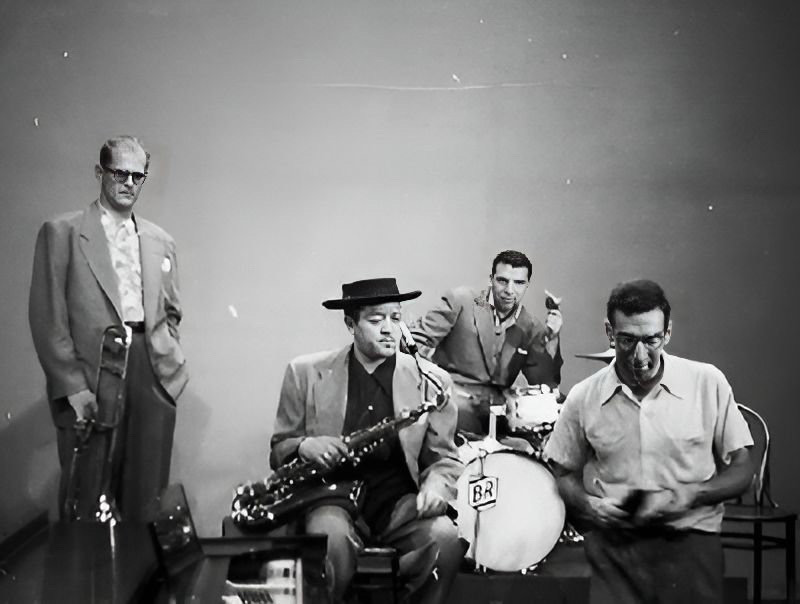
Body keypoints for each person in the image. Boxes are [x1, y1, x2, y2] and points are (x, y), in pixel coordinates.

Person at [543, 279, 753, 604]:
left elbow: (742, 469)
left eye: (651, 340)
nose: (640, 355)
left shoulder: (707, 382)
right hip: (614, 548)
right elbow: (561, 474)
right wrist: (589, 506)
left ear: (668, 333)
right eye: (627, 340)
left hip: (690, 539)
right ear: (610, 333)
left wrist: (693, 494)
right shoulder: (584, 397)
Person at [270, 278, 464, 604]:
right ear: (351, 324)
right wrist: (304, 446)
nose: (390, 329)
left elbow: (444, 458)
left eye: (396, 318)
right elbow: (279, 449)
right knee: (329, 541)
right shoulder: (304, 372)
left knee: (444, 540)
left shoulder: (433, 380)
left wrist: (437, 488)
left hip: (401, 504)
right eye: (376, 320)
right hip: (332, 498)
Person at [29, 135, 188, 521]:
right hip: (93, 368)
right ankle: (88, 578)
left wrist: (169, 364)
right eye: (120, 173)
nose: (129, 183)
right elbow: (48, 317)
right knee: (88, 489)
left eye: (138, 176)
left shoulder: (159, 240)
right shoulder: (62, 232)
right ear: (100, 172)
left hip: (150, 366)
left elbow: (171, 310)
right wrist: (72, 385)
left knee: (146, 486)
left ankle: (141, 574)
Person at [411, 249, 563, 436]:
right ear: (491, 279)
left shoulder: (530, 325)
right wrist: (428, 385)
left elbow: (544, 384)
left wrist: (552, 338)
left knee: (527, 451)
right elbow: (414, 342)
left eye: (519, 283)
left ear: (527, 285)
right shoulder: (461, 301)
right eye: (502, 281)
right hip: (451, 403)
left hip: (498, 415)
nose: (509, 290)